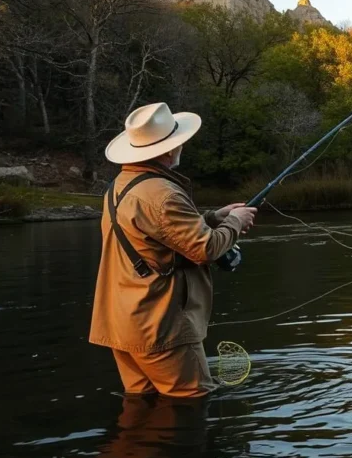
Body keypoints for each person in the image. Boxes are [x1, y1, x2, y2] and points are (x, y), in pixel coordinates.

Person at [89, 102, 257, 398]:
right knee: (191, 405)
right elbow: (206, 248)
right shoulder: (163, 194)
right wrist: (235, 221)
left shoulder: (121, 185)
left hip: (123, 324)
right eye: (179, 142)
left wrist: (213, 217)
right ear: (168, 150)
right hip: (160, 328)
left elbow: (157, 234)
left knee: (143, 405)